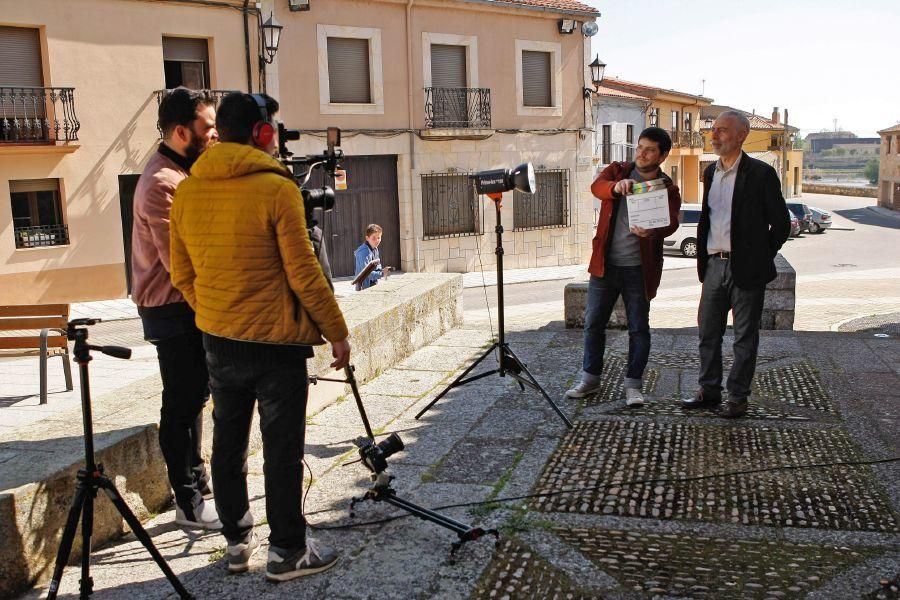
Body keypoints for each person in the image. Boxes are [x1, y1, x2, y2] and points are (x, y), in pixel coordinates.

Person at [169, 92, 351, 580]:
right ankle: (287, 551)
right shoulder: (277, 189)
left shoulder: (187, 190)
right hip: (277, 347)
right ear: (262, 134)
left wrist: (211, 310)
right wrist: (336, 332)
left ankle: (235, 540)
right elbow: (305, 274)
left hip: (218, 340)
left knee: (228, 442)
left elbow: (181, 273)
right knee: (282, 449)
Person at [130, 87, 221, 530]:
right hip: (173, 307)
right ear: (182, 131)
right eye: (208, 127)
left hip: (183, 304)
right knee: (182, 404)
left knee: (193, 399)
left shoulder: (182, 172)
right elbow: (182, 264)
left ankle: (199, 488)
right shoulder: (163, 183)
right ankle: (187, 500)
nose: (216, 134)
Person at [681, 111, 790, 418]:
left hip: (747, 269)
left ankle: (738, 397)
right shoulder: (709, 174)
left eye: (723, 131)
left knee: (744, 337)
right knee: (707, 334)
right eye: (713, 130)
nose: (714, 136)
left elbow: (781, 224)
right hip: (714, 265)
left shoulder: (761, 174)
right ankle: (708, 391)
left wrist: (760, 255)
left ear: (742, 135)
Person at [566, 127, 681, 406]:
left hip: (639, 270)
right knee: (593, 324)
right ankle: (590, 379)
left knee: (639, 328)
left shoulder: (667, 188)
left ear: (662, 155)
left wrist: (652, 232)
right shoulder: (618, 171)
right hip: (604, 266)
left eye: (649, 149)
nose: (641, 153)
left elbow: (672, 223)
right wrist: (615, 188)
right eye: (639, 147)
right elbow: (596, 187)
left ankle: (633, 386)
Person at [353, 224, 390, 291]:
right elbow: (367, 273)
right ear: (367, 238)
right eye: (374, 238)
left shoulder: (375, 249)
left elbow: (378, 266)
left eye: (379, 237)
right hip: (363, 286)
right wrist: (382, 273)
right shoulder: (363, 252)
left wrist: (383, 270)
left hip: (373, 283)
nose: (377, 240)